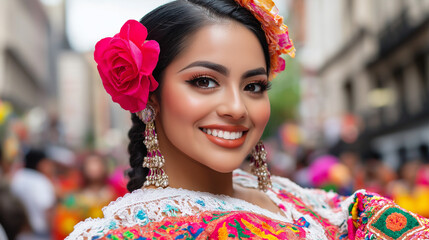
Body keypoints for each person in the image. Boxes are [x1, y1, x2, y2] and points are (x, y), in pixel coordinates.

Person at [68, 0, 429, 239]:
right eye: (205, 81)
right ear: (151, 95)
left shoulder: (292, 197)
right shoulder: (120, 232)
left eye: (254, 85)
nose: (237, 108)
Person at [10, 149, 56, 239]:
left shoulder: (18, 176)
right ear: (40, 163)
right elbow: (47, 209)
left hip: (20, 233)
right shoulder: (41, 181)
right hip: (39, 234)